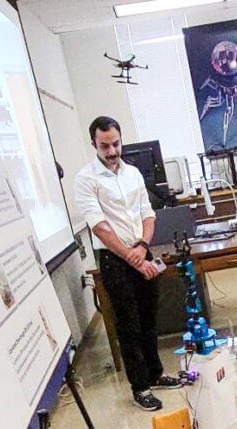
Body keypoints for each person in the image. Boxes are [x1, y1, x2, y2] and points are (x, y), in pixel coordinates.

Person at [74, 116, 179, 412]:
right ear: (94, 144)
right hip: (114, 260)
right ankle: (140, 386)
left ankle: (155, 374)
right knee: (129, 324)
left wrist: (143, 246)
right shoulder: (86, 179)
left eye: (116, 144)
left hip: (140, 251)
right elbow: (99, 226)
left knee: (149, 318)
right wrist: (130, 255)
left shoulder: (132, 173)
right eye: (105, 145)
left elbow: (147, 213)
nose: (112, 151)